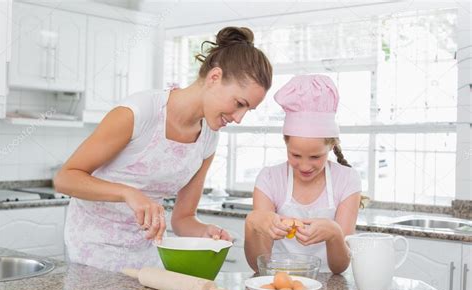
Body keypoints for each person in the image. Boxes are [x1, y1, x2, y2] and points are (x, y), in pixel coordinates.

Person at [54, 26, 272, 272]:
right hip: (92, 252)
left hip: (147, 255)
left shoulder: (208, 138)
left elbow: (182, 219)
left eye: (247, 110)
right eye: (239, 104)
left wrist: (205, 232)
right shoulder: (139, 113)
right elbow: (65, 178)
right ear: (214, 78)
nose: (239, 117)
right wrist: (129, 193)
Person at [244, 74, 362, 274]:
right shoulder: (270, 179)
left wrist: (334, 233)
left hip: (329, 289)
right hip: (280, 282)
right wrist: (253, 223)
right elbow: (258, 265)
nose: (305, 166)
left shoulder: (347, 180)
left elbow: (339, 267)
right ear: (286, 144)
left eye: (315, 157)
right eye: (295, 155)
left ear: (331, 145)